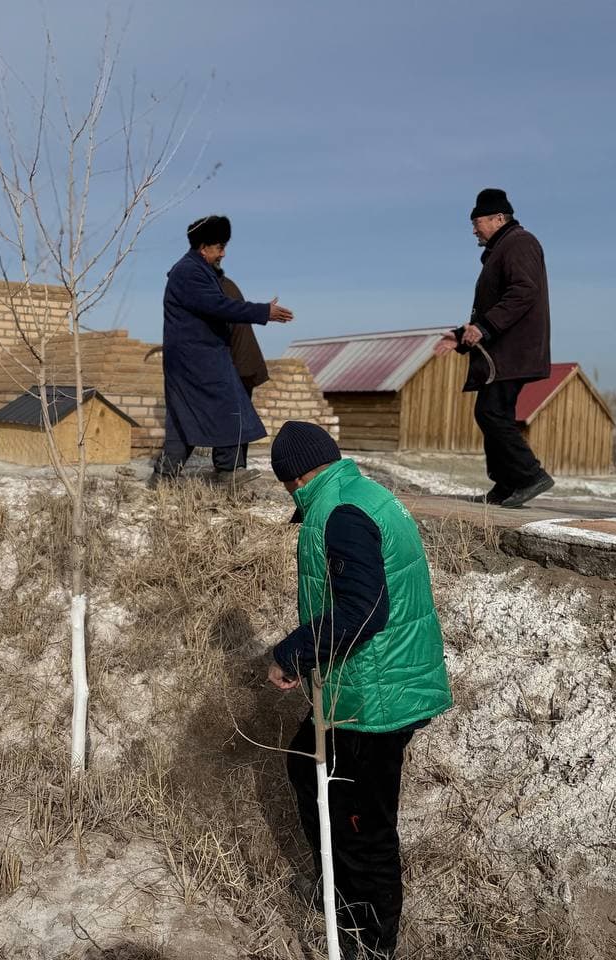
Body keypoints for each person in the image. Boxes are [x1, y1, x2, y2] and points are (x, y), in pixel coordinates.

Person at [266, 420, 452, 958]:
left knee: (363, 825)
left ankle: (369, 941)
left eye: (286, 485)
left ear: (294, 477)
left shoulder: (341, 513)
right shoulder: (357, 494)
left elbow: (363, 610)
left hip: (376, 697)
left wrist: (294, 651)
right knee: (307, 765)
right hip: (367, 681)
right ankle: (340, 898)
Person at [150, 214, 294, 487]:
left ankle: (165, 476)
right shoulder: (189, 273)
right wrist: (265, 311)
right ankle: (228, 472)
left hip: (192, 359)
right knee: (231, 408)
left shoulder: (195, 271)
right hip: (199, 360)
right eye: (219, 247)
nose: (223, 253)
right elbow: (220, 306)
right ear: (204, 247)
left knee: (184, 417)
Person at [433, 188, 554, 507]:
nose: (474, 229)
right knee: (489, 412)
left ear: (499, 218)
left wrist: (485, 328)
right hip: (502, 349)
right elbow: (494, 308)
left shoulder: (519, 243)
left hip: (513, 350)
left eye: (477, 222)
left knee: (492, 412)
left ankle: (529, 475)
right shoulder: (503, 249)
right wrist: (461, 336)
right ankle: (506, 484)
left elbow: (523, 292)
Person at [218, 269, 271, 471]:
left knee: (232, 418)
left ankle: (232, 471)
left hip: (238, 363)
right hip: (241, 362)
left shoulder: (218, 288)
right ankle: (235, 469)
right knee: (235, 418)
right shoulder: (223, 285)